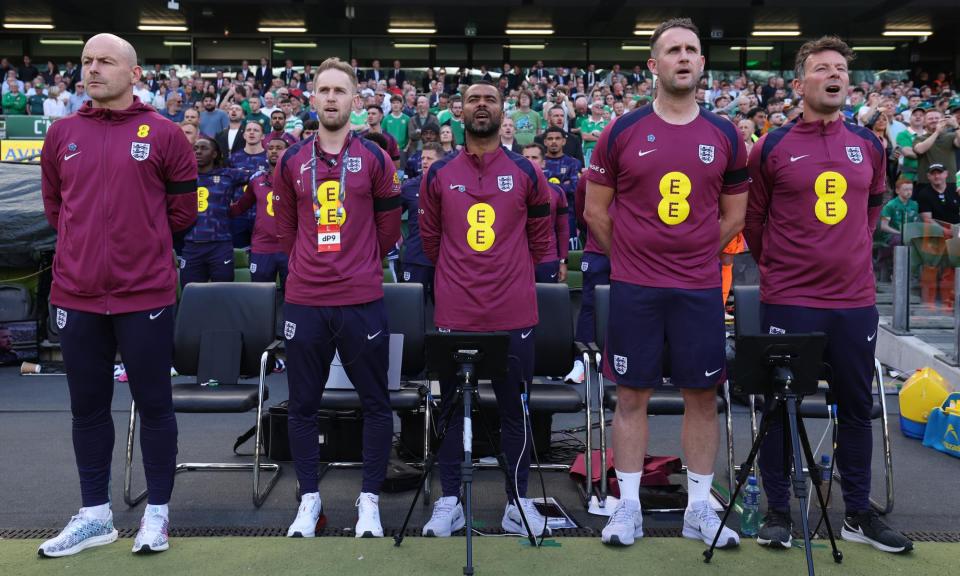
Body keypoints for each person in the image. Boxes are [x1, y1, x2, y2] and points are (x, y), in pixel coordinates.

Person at [744, 36, 914, 554]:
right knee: (780, 403)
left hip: (853, 299)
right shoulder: (770, 146)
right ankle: (778, 511)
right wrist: (783, 264)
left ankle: (858, 513)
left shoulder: (868, 144)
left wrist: (849, 254)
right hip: (790, 297)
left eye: (841, 69)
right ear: (800, 84)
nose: (835, 75)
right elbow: (755, 221)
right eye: (822, 68)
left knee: (857, 406)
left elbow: (871, 208)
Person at [585, 18, 747, 549]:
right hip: (636, 287)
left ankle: (699, 508)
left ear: (703, 63)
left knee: (703, 394)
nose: (683, 57)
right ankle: (626, 506)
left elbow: (735, 214)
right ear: (653, 65)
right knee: (632, 394)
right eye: (673, 50)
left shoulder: (724, 134)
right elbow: (595, 211)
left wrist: (696, 254)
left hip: (698, 287)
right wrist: (633, 259)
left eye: (692, 50)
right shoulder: (622, 130)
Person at [38, 33, 197, 557]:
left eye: (106, 61)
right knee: (86, 408)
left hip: (144, 293)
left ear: (134, 73)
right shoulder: (62, 133)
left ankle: (157, 516)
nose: (93, 69)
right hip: (77, 294)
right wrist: (87, 253)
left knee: (154, 405)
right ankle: (95, 516)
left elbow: (181, 214)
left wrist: (138, 246)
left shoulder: (166, 134)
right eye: (86, 61)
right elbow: (57, 210)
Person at [273, 57, 401, 539]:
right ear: (312, 98)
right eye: (323, 90)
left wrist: (358, 262)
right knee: (302, 404)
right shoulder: (289, 160)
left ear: (355, 100)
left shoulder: (376, 158)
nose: (330, 98)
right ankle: (310, 500)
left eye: (339, 91)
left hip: (361, 298)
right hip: (305, 299)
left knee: (375, 402)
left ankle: (369, 500)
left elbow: (389, 229)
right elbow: (286, 229)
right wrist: (312, 266)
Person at [419, 80, 553, 539]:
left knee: (516, 410)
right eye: (473, 100)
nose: (481, 106)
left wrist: (507, 277)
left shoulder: (526, 172)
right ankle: (451, 501)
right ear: (459, 112)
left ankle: (517, 503)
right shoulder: (438, 173)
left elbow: (540, 239)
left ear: (504, 109)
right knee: (452, 408)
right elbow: (432, 242)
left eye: (490, 99)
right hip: (456, 312)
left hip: (513, 312)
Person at [179, 137, 248, 287]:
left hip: (220, 245)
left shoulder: (228, 175)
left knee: (223, 293)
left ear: (215, 154)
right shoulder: (182, 176)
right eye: (195, 148)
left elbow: (260, 179)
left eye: (204, 148)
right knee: (190, 294)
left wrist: (240, 207)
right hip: (191, 245)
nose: (198, 152)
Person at [565, 174, 611, 383]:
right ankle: (580, 362)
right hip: (598, 250)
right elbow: (585, 214)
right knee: (589, 305)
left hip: (636, 252)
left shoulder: (643, 166)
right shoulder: (590, 176)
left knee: (639, 306)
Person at [230, 137, 289, 287]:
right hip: (262, 247)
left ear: (288, 152)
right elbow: (241, 207)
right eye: (271, 148)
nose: (274, 151)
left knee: (292, 295)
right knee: (261, 293)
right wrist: (217, 210)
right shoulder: (256, 181)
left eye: (279, 148)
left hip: (289, 247)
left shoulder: (296, 179)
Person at [399, 142, 443, 303]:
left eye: (429, 158)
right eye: (422, 158)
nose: (424, 161)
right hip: (416, 257)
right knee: (411, 307)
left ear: (440, 162)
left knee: (445, 310)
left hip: (444, 259)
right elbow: (390, 215)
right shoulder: (409, 187)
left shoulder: (450, 186)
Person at [522, 143, 570, 283]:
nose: (530, 161)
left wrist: (563, 260)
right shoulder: (511, 192)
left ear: (543, 163)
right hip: (518, 260)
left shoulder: (557, 192)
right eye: (526, 157)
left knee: (546, 303)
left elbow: (562, 229)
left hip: (547, 259)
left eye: (534, 157)